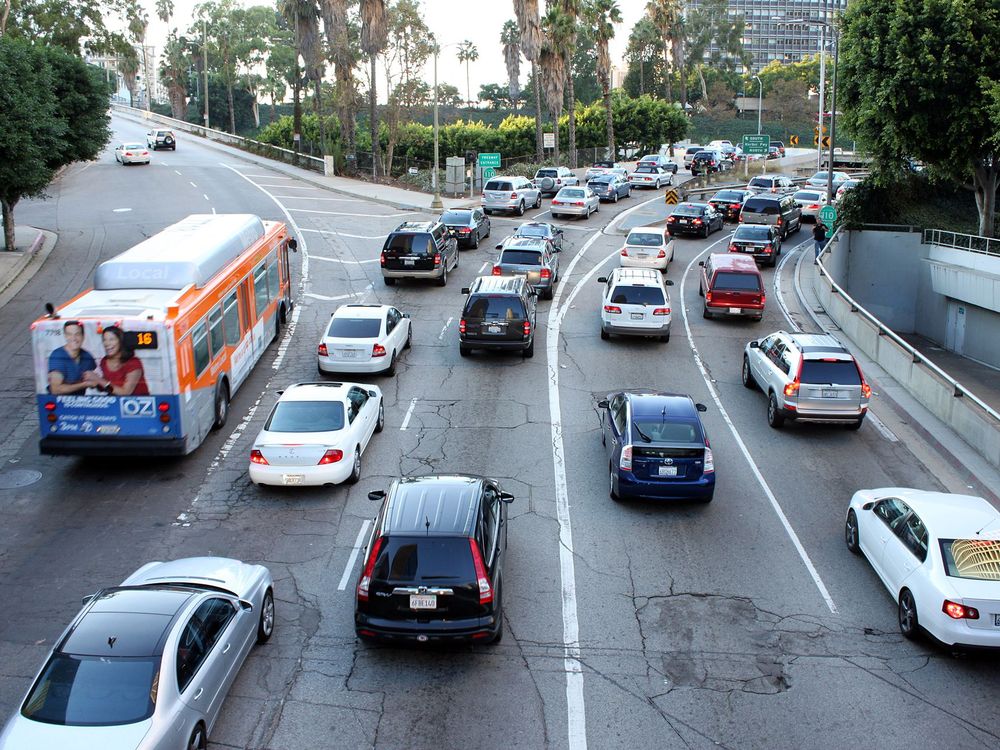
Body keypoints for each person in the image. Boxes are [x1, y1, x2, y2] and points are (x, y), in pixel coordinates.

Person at [89, 326, 149, 395]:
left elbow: (125, 392)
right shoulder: (104, 361)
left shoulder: (133, 362)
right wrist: (94, 383)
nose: (107, 343)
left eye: (111, 339)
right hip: (115, 401)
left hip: (137, 402)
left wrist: (99, 380)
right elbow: (108, 387)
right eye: (104, 340)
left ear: (120, 341)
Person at [47, 321, 98, 394]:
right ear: (65, 336)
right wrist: (85, 384)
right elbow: (56, 389)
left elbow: (94, 381)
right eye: (69, 334)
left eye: (77, 334)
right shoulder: (57, 356)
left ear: (83, 336)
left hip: (80, 402)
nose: (74, 338)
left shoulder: (87, 356)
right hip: (58, 402)